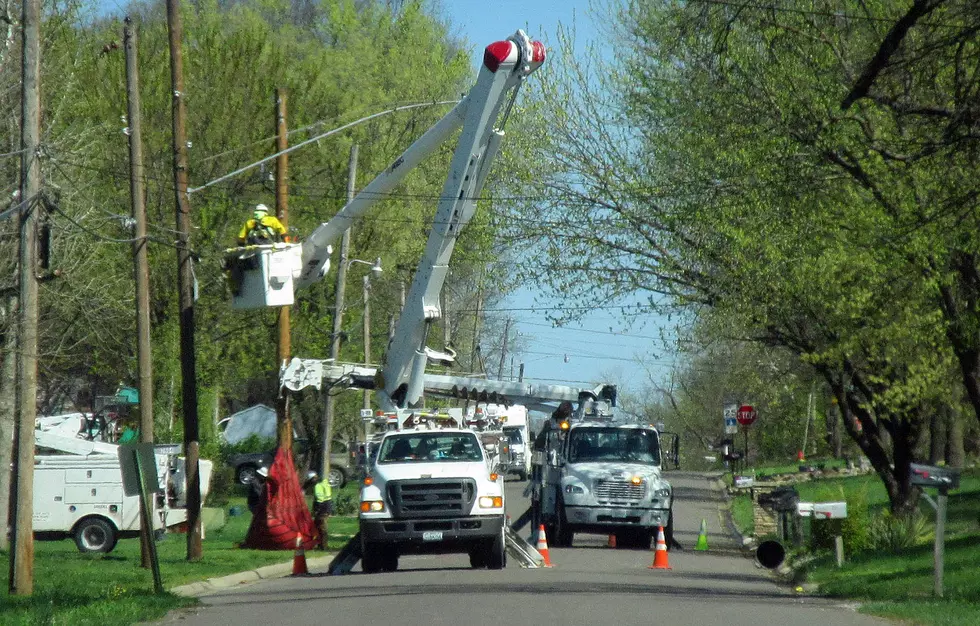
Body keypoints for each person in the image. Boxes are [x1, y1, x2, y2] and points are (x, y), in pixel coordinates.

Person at [312, 474, 333, 550]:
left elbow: (319, 499)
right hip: (327, 507)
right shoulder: (325, 483)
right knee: (318, 526)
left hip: (322, 509)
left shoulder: (318, 486)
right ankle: (320, 545)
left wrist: (316, 510)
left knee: (321, 528)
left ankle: (323, 546)